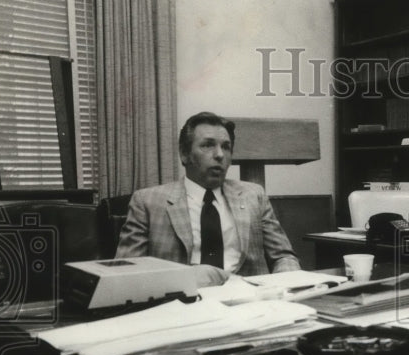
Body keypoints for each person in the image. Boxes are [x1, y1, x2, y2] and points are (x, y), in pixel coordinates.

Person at [115, 111, 300, 285]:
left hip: (250, 307)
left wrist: (287, 287)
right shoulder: (147, 202)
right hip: (182, 306)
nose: (219, 154)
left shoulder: (254, 196)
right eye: (207, 145)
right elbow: (125, 275)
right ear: (185, 154)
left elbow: (283, 257)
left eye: (226, 147)